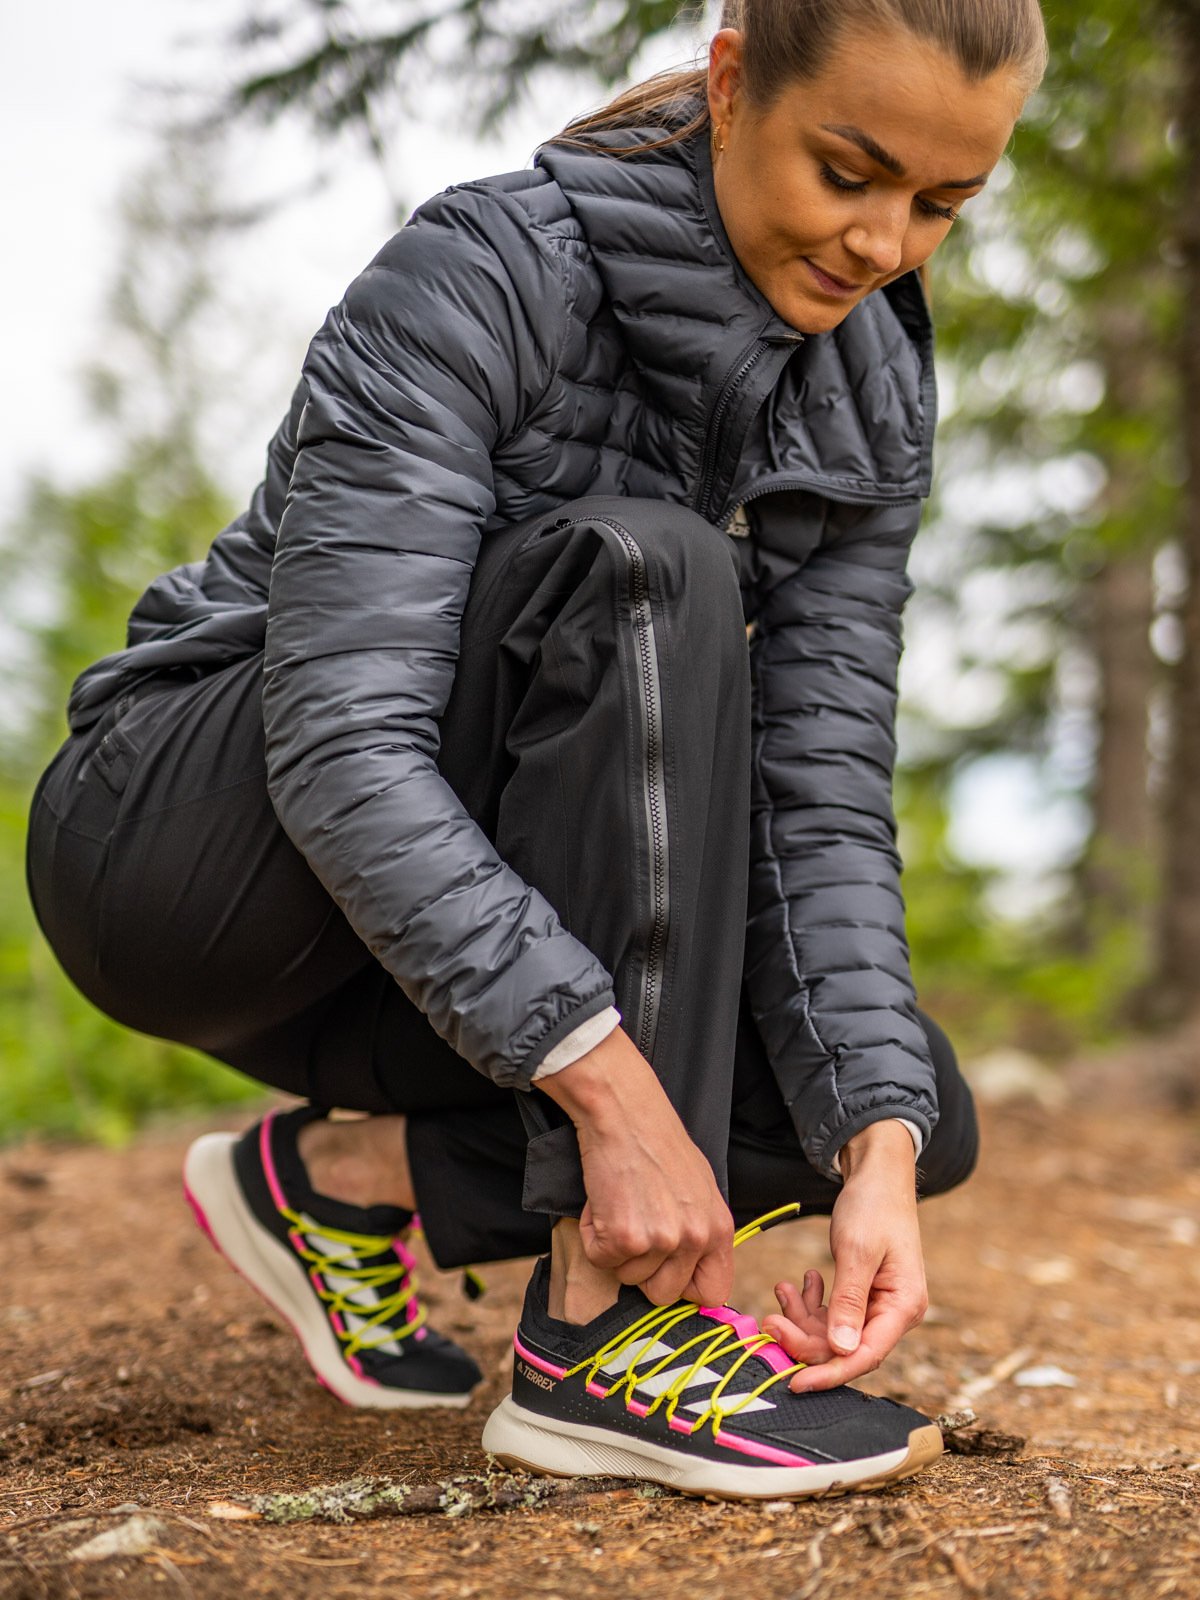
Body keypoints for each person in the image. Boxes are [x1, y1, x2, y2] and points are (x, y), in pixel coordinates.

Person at [25, 0, 1047, 1500]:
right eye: (850, 171)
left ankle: (336, 1179)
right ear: (728, 79)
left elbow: (815, 795)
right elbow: (343, 742)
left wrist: (874, 1150)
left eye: (942, 205)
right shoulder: (487, 270)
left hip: (432, 955)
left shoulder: (872, 379)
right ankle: (601, 1332)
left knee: (891, 1101)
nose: (886, 242)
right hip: (190, 857)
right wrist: (617, 1103)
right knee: (650, 569)